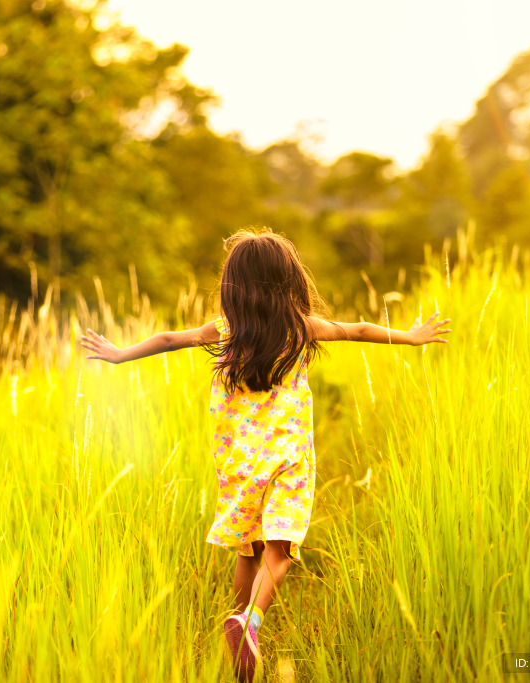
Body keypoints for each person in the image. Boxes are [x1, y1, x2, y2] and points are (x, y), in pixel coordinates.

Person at [79, 228, 451, 682]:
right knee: (282, 548)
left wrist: (118, 355)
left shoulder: (224, 331)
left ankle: (238, 639)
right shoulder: (300, 328)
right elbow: (356, 329)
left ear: (232, 286)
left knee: (249, 548)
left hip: (238, 460)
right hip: (288, 458)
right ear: (289, 280)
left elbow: (167, 339)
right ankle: (249, 624)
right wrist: (411, 337)